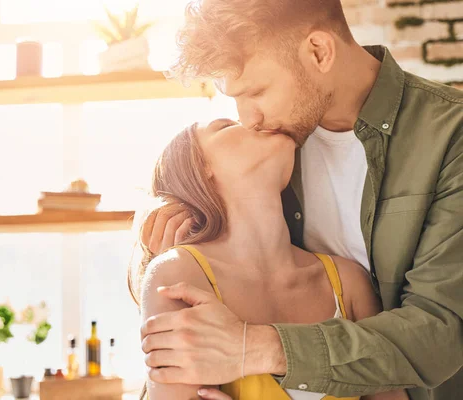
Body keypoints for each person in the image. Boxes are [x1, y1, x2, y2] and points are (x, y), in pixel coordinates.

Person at [139, 0, 463, 399]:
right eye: (234, 101)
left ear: (319, 51)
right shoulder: (278, 143)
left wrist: (250, 348)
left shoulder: (451, 137)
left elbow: (442, 330)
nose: (248, 118)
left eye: (256, 91)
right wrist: (186, 228)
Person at [131, 119, 409, 400]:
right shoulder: (176, 275)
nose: (254, 119)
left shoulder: (348, 282)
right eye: (227, 125)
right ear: (200, 170)